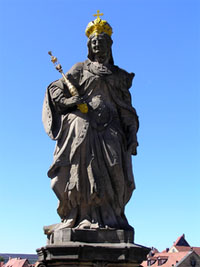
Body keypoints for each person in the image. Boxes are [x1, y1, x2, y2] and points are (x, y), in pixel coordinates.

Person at [42, 13, 139, 231]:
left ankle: (112, 218)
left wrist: (132, 135)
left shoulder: (118, 75)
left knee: (116, 170)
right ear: (89, 45)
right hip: (84, 128)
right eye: (94, 42)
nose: (97, 45)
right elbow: (55, 88)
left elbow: (127, 110)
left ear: (109, 44)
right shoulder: (79, 69)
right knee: (81, 171)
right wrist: (70, 100)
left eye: (102, 41)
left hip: (111, 129)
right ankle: (81, 216)